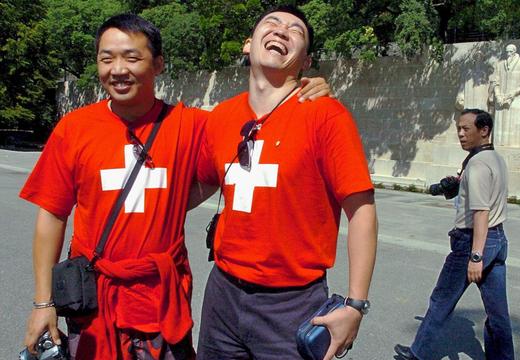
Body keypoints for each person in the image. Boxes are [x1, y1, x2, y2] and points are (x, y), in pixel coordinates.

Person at [20, 13, 332, 359]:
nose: (118, 69)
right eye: (106, 58)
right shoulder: (73, 128)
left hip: (162, 301)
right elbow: (51, 215)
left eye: (132, 57)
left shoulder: (192, 124)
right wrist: (43, 302)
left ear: (159, 64)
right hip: (95, 304)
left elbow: (253, 124)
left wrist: (305, 88)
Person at [195, 5, 378, 360]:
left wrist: (356, 304)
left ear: (306, 61)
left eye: (295, 30)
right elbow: (202, 183)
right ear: (248, 44)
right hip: (223, 294)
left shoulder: (326, 115)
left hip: (292, 304)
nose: (282, 30)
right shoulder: (220, 117)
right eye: (272, 23)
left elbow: (362, 211)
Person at [394, 109, 514, 360]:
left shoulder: (478, 164)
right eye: (458, 128)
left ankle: (418, 354)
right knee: (498, 313)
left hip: (473, 241)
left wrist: (476, 256)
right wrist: (454, 186)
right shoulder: (494, 158)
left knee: (441, 301)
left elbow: (481, 212)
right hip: (498, 239)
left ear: (484, 131)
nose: (460, 134)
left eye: (466, 129)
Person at [489, 44, 520, 147]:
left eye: (510, 52)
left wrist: (514, 93)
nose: (508, 54)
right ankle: (499, 145)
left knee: (515, 124)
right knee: (500, 125)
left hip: (516, 98)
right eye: (507, 51)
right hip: (501, 98)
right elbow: (495, 82)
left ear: (515, 52)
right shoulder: (500, 65)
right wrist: (498, 95)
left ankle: (515, 146)